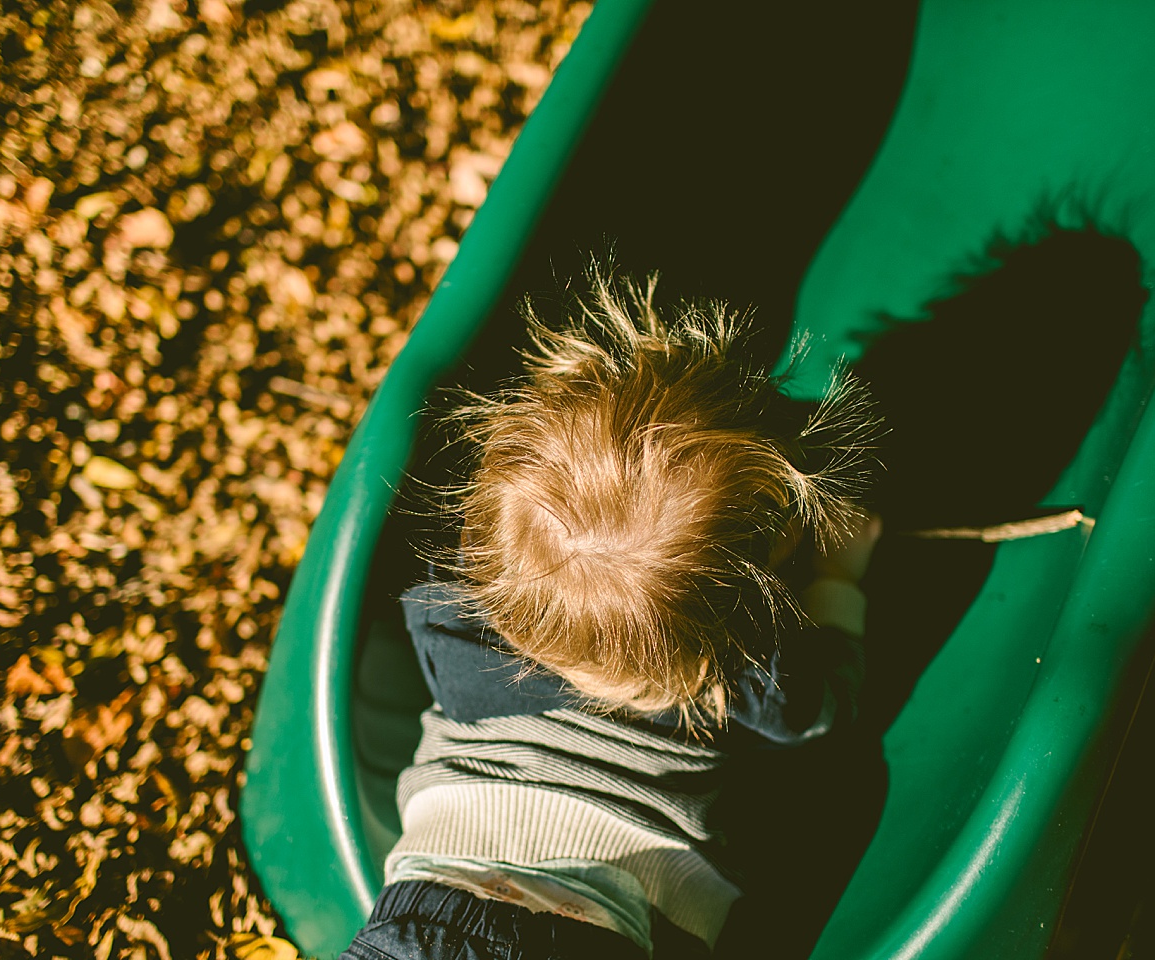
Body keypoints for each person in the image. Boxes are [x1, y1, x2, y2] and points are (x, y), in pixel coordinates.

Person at [339, 266, 884, 960]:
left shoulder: (447, 618)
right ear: (747, 602)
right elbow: (824, 705)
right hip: (619, 907)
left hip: (432, 888)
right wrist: (839, 577)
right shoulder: (745, 670)